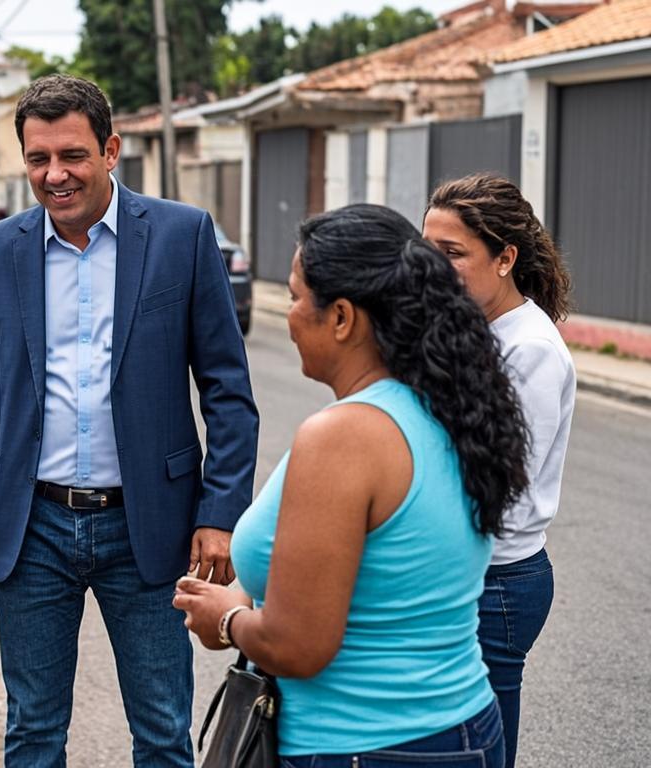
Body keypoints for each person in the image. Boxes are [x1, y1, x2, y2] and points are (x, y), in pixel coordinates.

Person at [0, 74, 259, 766]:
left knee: (163, 730)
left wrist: (221, 511)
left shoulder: (181, 236)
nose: (55, 175)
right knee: (32, 730)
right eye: (38, 158)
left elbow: (228, 389)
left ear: (111, 151)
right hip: (31, 525)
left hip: (148, 524)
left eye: (73, 155)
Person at [173, 204, 530, 767]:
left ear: (341, 317)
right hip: (463, 729)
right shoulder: (454, 406)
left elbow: (299, 646)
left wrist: (226, 617)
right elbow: (381, 575)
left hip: (362, 746)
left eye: (295, 298)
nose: (288, 316)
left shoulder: (344, 436)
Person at [424, 173, 576, 768]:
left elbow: (502, 488)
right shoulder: (474, 330)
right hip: (469, 572)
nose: (435, 269)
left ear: (505, 258)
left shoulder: (529, 349)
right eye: (427, 250)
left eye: (453, 254)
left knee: (483, 751)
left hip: (496, 585)